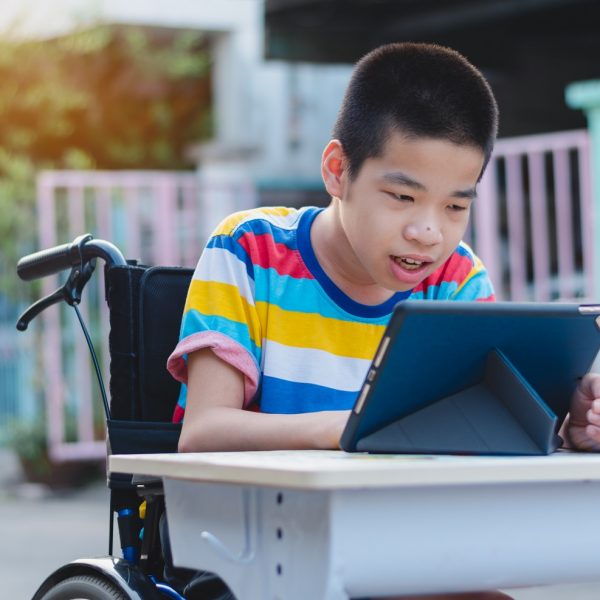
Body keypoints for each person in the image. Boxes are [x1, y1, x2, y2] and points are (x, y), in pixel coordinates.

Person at [166, 42, 600, 600]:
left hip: (402, 547)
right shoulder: (250, 251)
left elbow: (489, 427)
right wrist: (350, 428)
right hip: (263, 551)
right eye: (402, 196)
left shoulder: (457, 280)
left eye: (455, 207)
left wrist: (568, 426)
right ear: (338, 170)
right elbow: (202, 433)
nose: (429, 232)